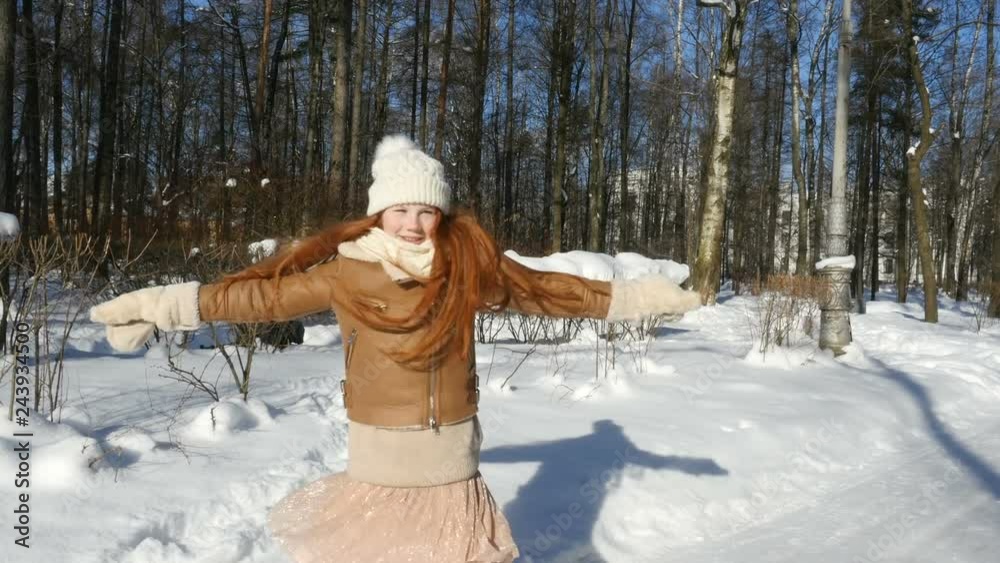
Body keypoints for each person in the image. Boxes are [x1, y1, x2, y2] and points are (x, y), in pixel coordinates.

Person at [89, 134, 702, 563]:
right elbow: (257, 301)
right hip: (381, 450)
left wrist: (640, 297)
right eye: (400, 210)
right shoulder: (345, 271)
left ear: (441, 215)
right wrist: (158, 306)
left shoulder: (465, 266)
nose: (413, 223)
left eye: (426, 211)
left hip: (452, 450)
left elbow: (548, 292)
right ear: (377, 214)